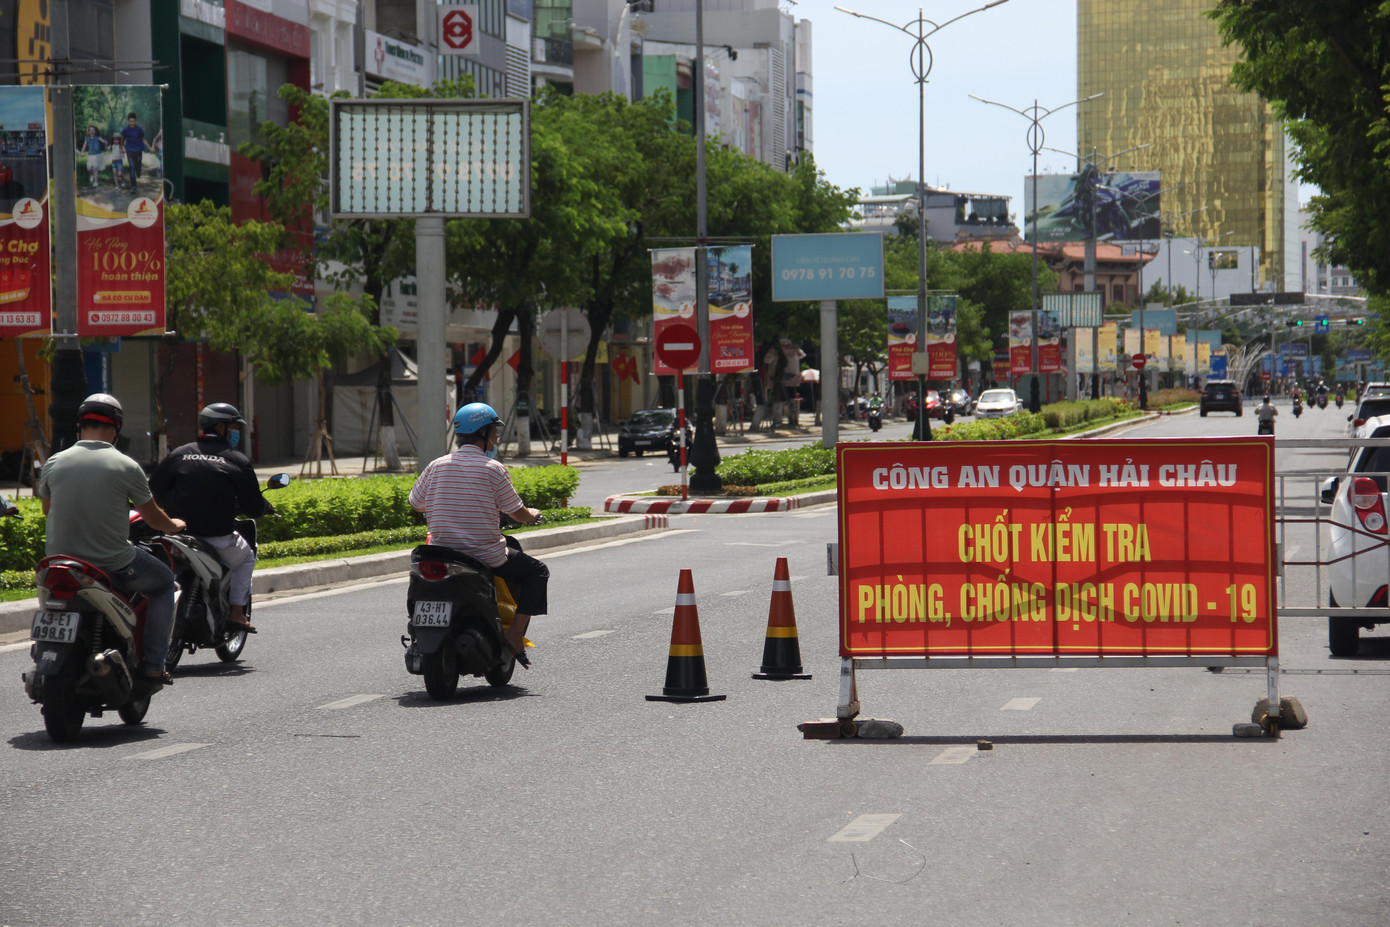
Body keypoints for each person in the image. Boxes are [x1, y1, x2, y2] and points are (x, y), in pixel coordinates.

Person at [35, 394, 186, 684]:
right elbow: (153, 518)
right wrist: (173, 526)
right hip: (113, 563)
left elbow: (47, 509)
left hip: (57, 562)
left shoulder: (54, 461)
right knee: (165, 582)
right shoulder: (126, 465)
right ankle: (154, 665)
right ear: (116, 429)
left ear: (80, 426)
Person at [409, 403, 548, 667]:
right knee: (538, 572)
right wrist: (533, 514)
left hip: (439, 553)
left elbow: (416, 503)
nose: (496, 438)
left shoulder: (436, 465)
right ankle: (515, 634)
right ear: (482, 433)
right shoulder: (493, 468)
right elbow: (517, 513)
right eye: (494, 432)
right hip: (484, 556)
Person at [149, 403, 272, 634]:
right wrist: (264, 507)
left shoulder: (179, 453)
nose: (236, 432)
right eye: (233, 427)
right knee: (246, 559)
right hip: (217, 538)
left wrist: (173, 505)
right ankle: (237, 613)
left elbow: (153, 488)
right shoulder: (237, 460)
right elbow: (253, 507)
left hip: (175, 535)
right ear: (220, 427)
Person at [120, 112, 147, 193]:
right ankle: (133, 186)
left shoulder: (139, 129)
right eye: (130, 121)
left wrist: (150, 147)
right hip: (129, 150)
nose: (132, 123)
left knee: (138, 165)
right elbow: (122, 139)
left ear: (136, 121)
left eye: (133, 121)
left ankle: (138, 171)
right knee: (131, 167)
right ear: (128, 121)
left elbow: (143, 139)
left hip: (138, 150)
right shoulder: (125, 130)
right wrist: (121, 148)